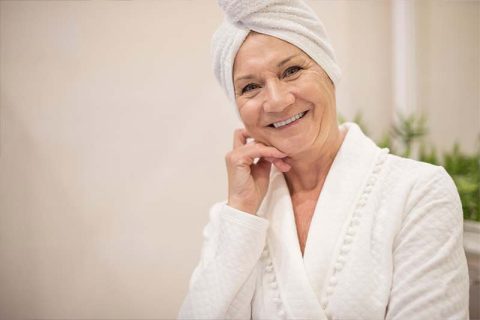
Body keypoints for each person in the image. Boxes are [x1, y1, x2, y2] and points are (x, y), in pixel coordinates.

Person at [178, 0, 470, 319]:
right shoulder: (234, 217)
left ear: (328, 70)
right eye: (250, 87)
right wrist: (242, 212)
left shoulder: (418, 193)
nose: (276, 101)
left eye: (291, 70)